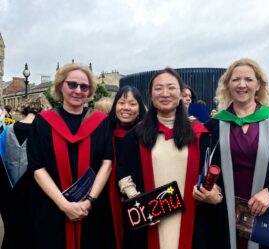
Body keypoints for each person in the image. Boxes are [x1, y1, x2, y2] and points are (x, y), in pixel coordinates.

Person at [194, 58, 269, 249]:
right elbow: (200, 168)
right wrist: (206, 192)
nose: (242, 84)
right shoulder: (213, 126)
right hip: (223, 214)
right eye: (235, 79)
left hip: (268, 210)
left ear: (259, 84)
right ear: (227, 85)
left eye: (249, 79)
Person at [116, 68, 217, 249]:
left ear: (181, 95)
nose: (165, 93)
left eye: (171, 88)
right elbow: (123, 171)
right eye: (158, 88)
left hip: (191, 217)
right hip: (150, 220)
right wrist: (140, 203)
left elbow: (211, 170)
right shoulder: (135, 135)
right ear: (150, 95)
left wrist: (214, 193)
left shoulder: (200, 134)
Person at [26, 63, 116, 249]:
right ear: (60, 87)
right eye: (72, 84)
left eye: (84, 86)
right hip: (52, 207)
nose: (78, 90)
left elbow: (107, 163)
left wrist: (89, 201)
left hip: (92, 210)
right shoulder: (42, 123)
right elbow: (37, 168)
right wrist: (64, 205)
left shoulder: (102, 123)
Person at [0, 95, 51, 249]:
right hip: (36, 192)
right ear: (44, 110)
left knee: (11, 233)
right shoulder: (45, 132)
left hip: (8, 192)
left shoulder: (6, 131)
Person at [108, 85, 146, 249]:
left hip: (139, 198)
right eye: (122, 103)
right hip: (108, 198)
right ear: (115, 105)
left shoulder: (148, 133)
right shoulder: (104, 131)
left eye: (132, 104)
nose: (126, 108)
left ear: (140, 108)